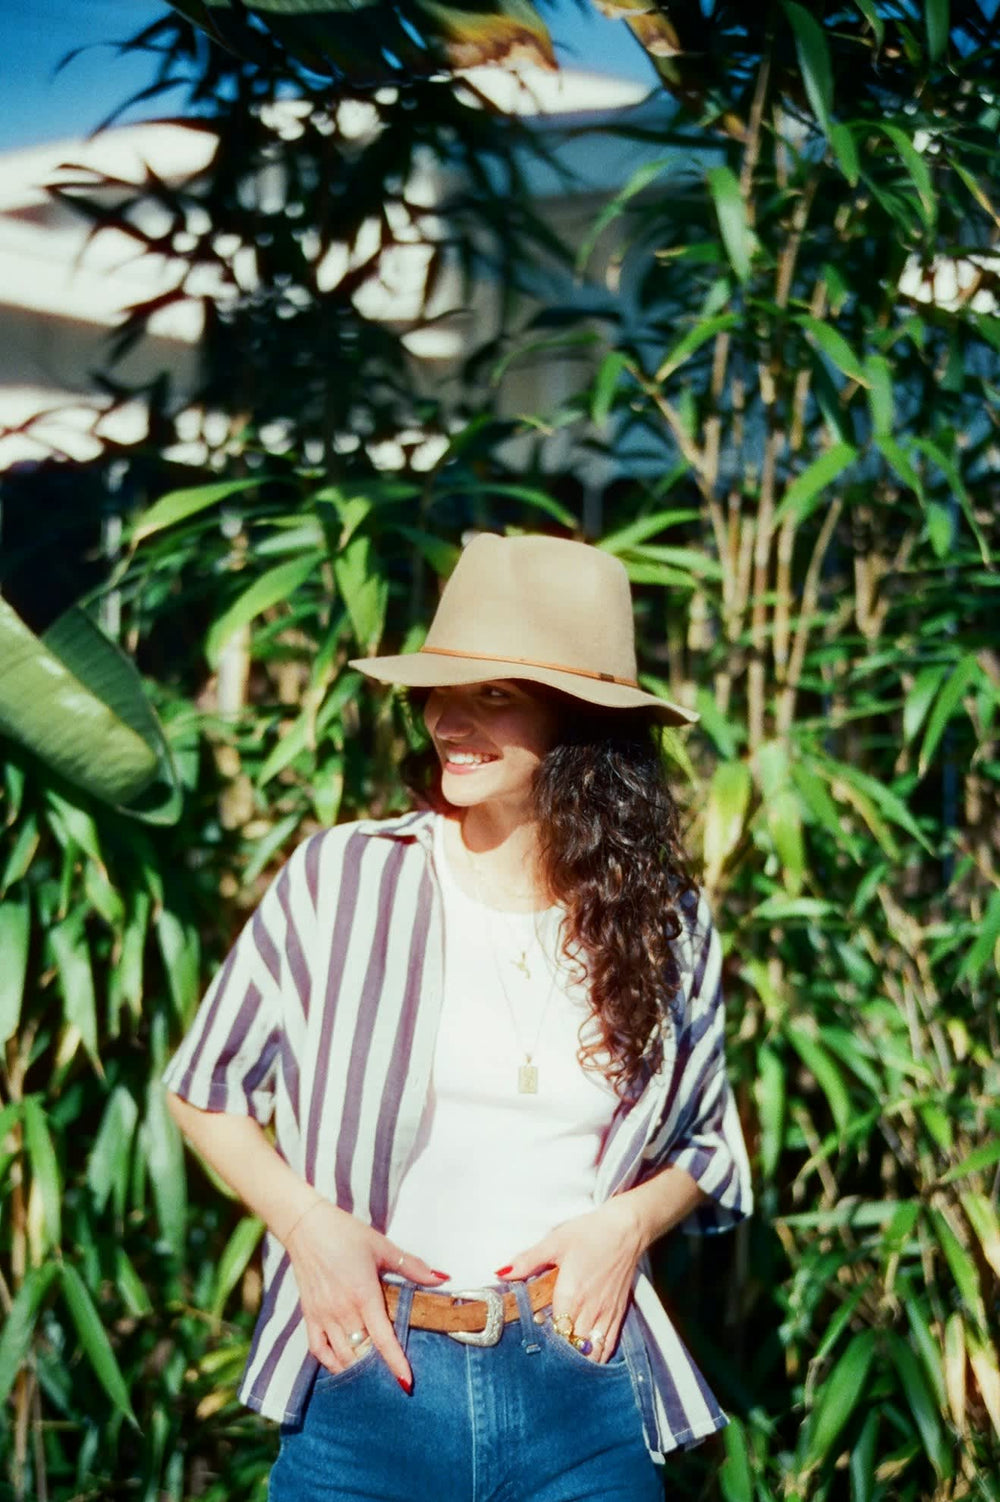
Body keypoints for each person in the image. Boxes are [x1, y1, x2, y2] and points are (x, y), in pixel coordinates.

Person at [163, 532, 752, 1501]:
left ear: (580, 724)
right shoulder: (346, 875)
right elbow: (205, 1088)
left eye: (493, 695)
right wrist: (310, 1226)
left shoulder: (666, 919)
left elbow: (707, 1143)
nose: (447, 719)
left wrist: (625, 1224)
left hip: (580, 1379)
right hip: (368, 1367)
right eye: (440, 690)